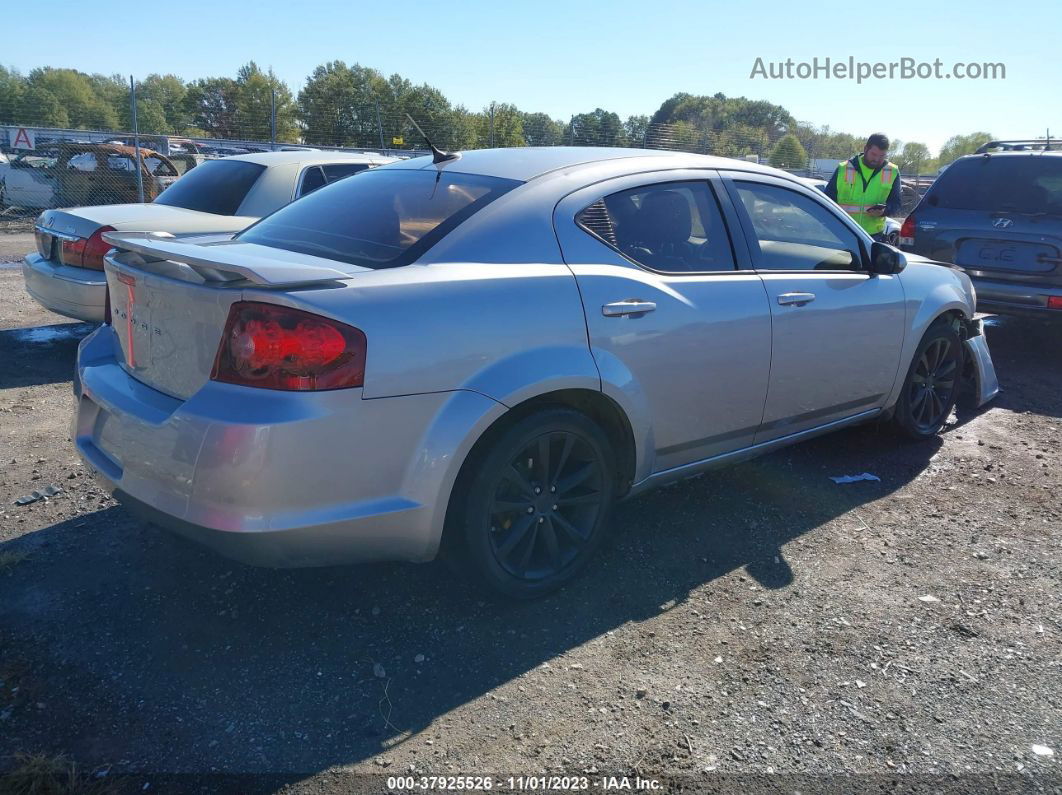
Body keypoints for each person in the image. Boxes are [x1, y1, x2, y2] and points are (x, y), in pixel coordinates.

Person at [823, 133, 902, 241]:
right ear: (865, 149)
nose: (877, 159)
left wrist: (884, 211)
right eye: (874, 154)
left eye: (882, 156)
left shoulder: (892, 172)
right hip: (843, 232)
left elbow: (896, 204)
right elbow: (827, 200)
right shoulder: (844, 168)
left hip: (874, 236)